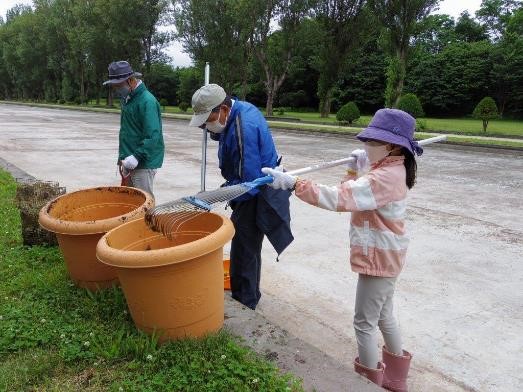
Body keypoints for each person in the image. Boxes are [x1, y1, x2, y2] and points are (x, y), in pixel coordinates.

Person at [262, 108, 422, 391]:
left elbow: (339, 198)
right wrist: (353, 168)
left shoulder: (384, 177)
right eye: (367, 140)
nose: (367, 146)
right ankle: (396, 381)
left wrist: (294, 183)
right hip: (387, 256)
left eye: (373, 142)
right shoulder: (388, 169)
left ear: (393, 146)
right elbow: (352, 192)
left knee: (363, 323)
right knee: (384, 316)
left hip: (379, 258)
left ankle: (368, 384)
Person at [189, 83, 293, 310]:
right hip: (249, 187)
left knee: (244, 249)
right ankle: (249, 294)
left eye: (208, 121)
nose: (207, 127)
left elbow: (248, 184)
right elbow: (228, 138)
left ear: (223, 110)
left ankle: (245, 304)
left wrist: (214, 196)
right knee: (247, 248)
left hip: (256, 193)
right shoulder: (237, 112)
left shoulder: (243, 127)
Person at [103, 60, 164, 198]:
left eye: (118, 86)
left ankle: (149, 221)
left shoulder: (147, 101)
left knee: (144, 202)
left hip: (143, 162)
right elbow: (129, 131)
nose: (116, 90)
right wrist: (123, 158)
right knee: (129, 201)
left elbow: (153, 135)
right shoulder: (128, 99)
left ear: (130, 81)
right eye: (114, 87)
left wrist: (137, 156)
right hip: (129, 160)